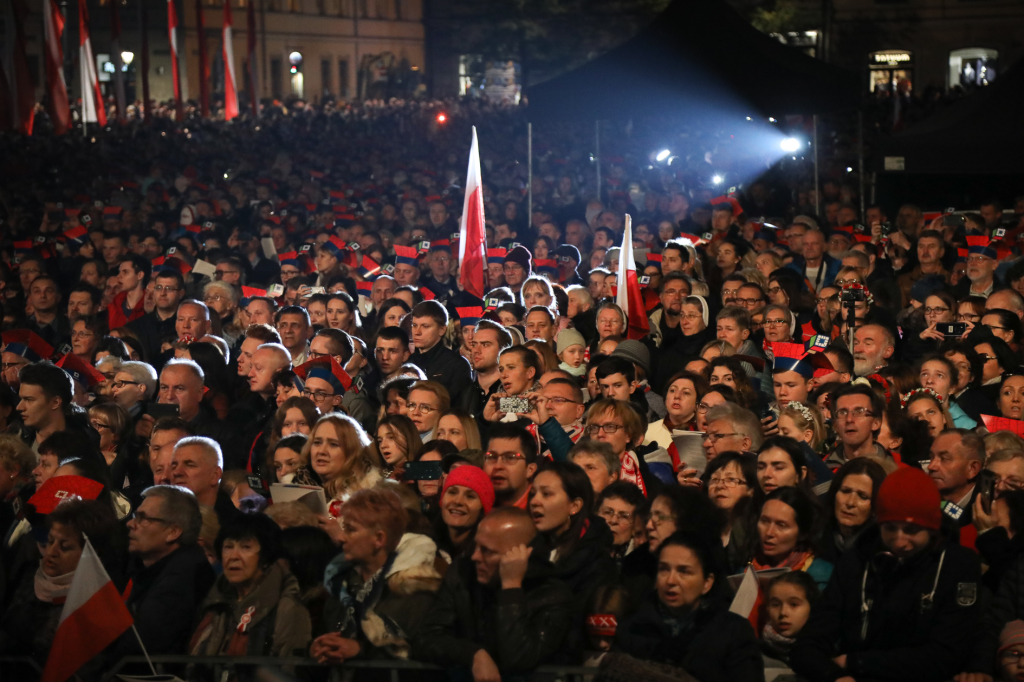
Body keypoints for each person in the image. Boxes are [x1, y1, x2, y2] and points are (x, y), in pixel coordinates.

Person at [790, 467, 983, 682]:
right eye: (890, 528)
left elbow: (945, 656)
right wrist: (834, 675)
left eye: (911, 530)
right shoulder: (857, 561)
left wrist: (856, 662)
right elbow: (810, 642)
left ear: (932, 529)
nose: (899, 541)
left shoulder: (956, 565)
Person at [412, 507, 574, 679]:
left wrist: (511, 587)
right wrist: (474, 654)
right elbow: (427, 637)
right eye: (475, 546)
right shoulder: (463, 574)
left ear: (518, 557)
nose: (475, 556)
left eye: (487, 551)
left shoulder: (552, 594)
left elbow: (519, 659)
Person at [312, 487, 443, 662]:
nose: (343, 537)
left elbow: (417, 654)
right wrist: (315, 649)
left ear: (379, 539)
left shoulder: (413, 589)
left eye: (351, 529)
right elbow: (326, 633)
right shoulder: (344, 582)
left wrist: (360, 651)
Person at [614, 531, 766, 682]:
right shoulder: (632, 628)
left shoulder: (733, 633)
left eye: (684, 571)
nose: (671, 580)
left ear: (707, 582)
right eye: (664, 569)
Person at [0, 499, 121, 665]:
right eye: (49, 541)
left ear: (92, 553)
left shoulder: (95, 600)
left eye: (64, 546)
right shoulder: (28, 573)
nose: (51, 552)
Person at [113, 485, 216, 660]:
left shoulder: (182, 577)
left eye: (143, 518)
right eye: (134, 516)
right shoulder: (149, 567)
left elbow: (140, 645)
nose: (130, 524)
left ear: (173, 532)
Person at [189, 513, 312, 658]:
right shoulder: (213, 601)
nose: (233, 556)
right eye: (228, 547)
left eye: (246, 547)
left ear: (265, 558)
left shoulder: (288, 609)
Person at [753, 487, 833, 590]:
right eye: (765, 521)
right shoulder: (746, 569)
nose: (769, 532)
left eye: (781, 525)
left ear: (802, 534)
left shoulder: (819, 576)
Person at [820, 458, 888, 563]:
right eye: (845, 491)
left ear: (876, 505)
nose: (850, 503)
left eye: (863, 496)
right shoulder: (814, 537)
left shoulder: (882, 553)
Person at [704, 451, 760, 571]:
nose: (720, 486)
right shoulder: (701, 529)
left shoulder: (757, 532)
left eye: (731, 479)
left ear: (751, 489)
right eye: (714, 479)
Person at [408, 301, 472, 402]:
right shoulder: (409, 363)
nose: (417, 332)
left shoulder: (457, 365)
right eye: (414, 325)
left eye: (425, 326)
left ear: (442, 330)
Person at [435, 464, 495, 562]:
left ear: (483, 508)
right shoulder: (425, 545)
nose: (458, 501)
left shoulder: (485, 557)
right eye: (452, 492)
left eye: (470, 496)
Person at [761, 572, 821, 666]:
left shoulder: (827, 652)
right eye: (775, 605)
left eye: (794, 604)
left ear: (812, 607)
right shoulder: (757, 654)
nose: (783, 613)